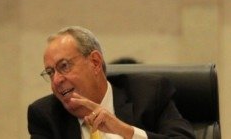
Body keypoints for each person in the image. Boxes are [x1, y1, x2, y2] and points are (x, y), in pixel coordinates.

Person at [27, 26, 195, 139]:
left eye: (64, 66)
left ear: (95, 62)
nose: (56, 80)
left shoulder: (149, 94)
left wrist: (125, 131)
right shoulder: (45, 115)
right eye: (50, 72)